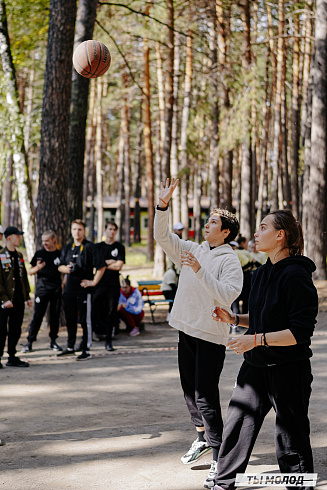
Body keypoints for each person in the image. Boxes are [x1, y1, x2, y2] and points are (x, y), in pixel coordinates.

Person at [212, 210, 318, 490]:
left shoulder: (297, 275)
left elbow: (299, 333)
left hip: (288, 368)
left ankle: (299, 486)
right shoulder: (261, 273)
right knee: (236, 424)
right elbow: (260, 317)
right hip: (255, 366)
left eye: (263, 227)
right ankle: (224, 483)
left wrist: (256, 339)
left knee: (290, 437)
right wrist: (234, 319)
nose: (256, 233)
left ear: (280, 235)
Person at [154, 178, 243, 489]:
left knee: (205, 397)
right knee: (189, 391)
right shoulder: (192, 248)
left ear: (226, 232)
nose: (207, 225)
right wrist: (162, 206)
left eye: (213, 222)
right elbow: (162, 236)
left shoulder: (230, 260)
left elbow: (227, 294)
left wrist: (198, 270)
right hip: (185, 329)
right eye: (208, 220)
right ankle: (202, 438)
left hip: (210, 336)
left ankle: (220, 459)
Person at [58, 219, 104, 361]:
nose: (77, 232)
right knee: (70, 319)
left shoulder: (90, 247)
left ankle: (86, 348)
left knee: (85, 320)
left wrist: (93, 282)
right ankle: (70, 346)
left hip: (84, 290)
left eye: (79, 229)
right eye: (74, 229)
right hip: (69, 290)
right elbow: (60, 266)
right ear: (71, 231)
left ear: (84, 231)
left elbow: (101, 267)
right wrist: (66, 269)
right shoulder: (67, 247)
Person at [22, 230, 62, 353]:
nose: (44, 243)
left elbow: (64, 270)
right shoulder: (39, 254)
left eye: (47, 241)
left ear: (54, 240)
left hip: (56, 289)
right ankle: (30, 342)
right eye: (43, 241)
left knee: (55, 316)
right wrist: (38, 267)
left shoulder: (60, 254)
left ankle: (53, 341)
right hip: (42, 289)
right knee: (38, 315)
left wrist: (64, 283)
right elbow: (30, 271)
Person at [87, 220, 125, 351]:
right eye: (110, 229)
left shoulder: (119, 247)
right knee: (95, 310)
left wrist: (104, 264)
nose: (112, 232)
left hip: (113, 285)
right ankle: (94, 334)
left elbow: (119, 265)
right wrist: (109, 263)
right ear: (105, 230)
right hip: (99, 284)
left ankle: (109, 340)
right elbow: (96, 264)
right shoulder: (98, 247)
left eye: (114, 229)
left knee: (111, 312)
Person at [0, 226, 32, 368]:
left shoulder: (19, 256)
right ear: (8, 238)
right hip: (5, 300)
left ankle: (12, 356)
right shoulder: (1, 255)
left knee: (16, 328)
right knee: (1, 328)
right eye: (17, 235)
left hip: (18, 299)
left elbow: (23, 276)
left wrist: (27, 296)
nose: (19, 238)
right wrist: (4, 299)